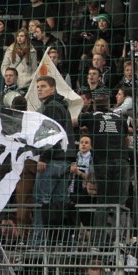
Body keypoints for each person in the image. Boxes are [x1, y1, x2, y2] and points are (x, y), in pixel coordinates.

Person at [28, 76, 77, 247]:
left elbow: (50, 135)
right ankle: (59, 243)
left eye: (43, 86)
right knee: (58, 205)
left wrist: (43, 158)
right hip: (64, 162)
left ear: (53, 89)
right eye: (38, 86)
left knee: (41, 202)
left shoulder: (51, 107)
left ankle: (38, 244)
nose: (39, 89)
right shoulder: (63, 107)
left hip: (52, 162)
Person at [79, 95, 130, 249]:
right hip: (121, 160)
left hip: (102, 161)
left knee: (103, 202)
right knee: (119, 202)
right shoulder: (120, 117)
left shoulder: (91, 116)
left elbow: (75, 122)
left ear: (95, 106)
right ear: (109, 105)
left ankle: (97, 241)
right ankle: (118, 240)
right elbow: (126, 140)